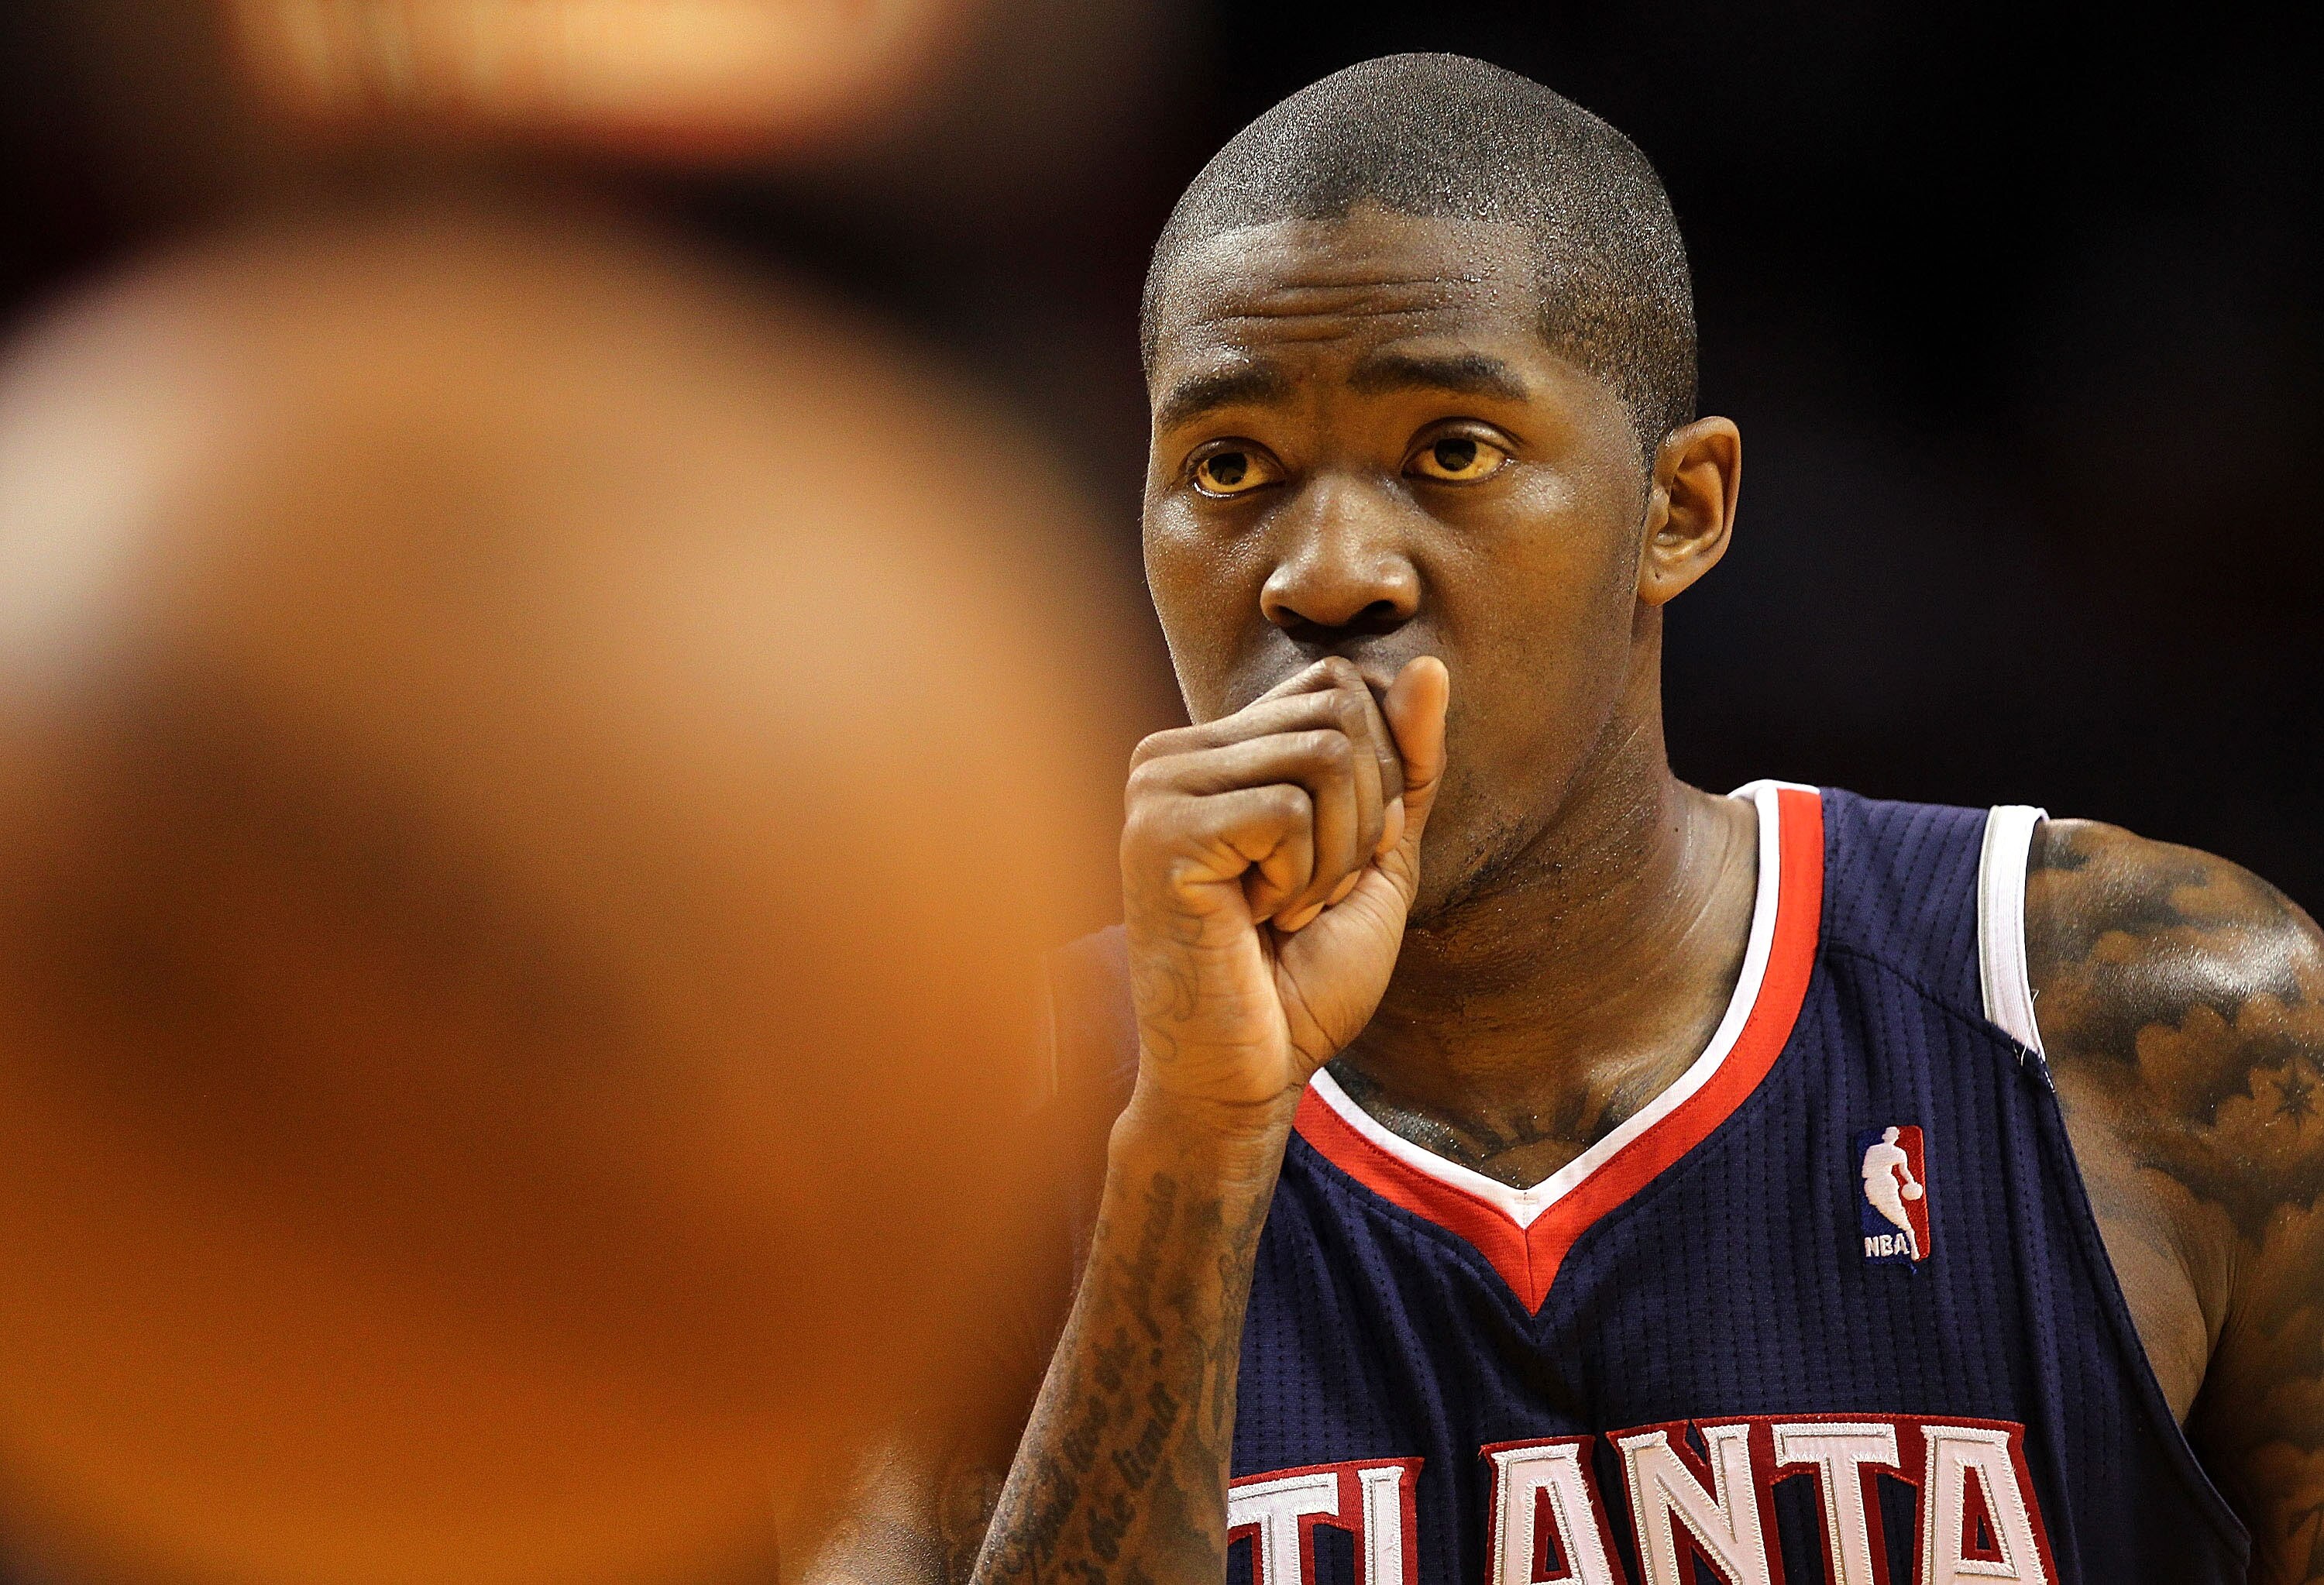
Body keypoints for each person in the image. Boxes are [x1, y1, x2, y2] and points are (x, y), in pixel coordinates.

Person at [819, 52, 2324, 1585]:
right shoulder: (974, 1125)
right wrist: (1193, 1160)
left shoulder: (2149, 1023)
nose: (1328, 572)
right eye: (1231, 466)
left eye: (1452, 451)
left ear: (1682, 511)